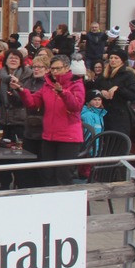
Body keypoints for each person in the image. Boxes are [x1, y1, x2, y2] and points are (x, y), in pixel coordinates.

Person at [9, 55, 84, 187]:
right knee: (46, 174)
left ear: (66, 68)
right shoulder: (47, 85)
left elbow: (76, 106)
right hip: (49, 135)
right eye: (52, 69)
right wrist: (21, 90)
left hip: (68, 137)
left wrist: (63, 92)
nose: (54, 72)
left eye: (57, 69)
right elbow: (33, 103)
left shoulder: (76, 84)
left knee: (63, 175)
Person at [95, 49, 135, 138]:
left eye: (116, 58)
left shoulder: (128, 75)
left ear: (122, 61)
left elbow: (134, 95)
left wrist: (118, 89)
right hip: (104, 114)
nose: (113, 60)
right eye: (111, 57)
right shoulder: (103, 76)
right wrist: (101, 92)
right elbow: (94, 89)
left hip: (120, 116)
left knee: (117, 143)